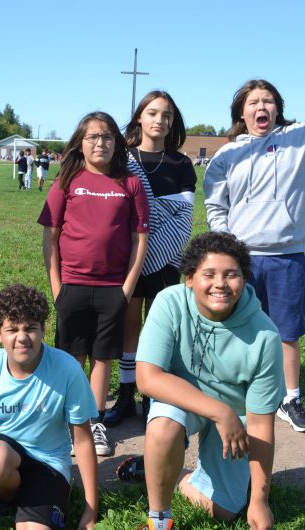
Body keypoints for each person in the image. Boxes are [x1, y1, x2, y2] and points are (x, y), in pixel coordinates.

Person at [136, 232, 283, 530]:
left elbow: (260, 424)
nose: (221, 284)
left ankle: (172, 474)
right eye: (209, 274)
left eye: (231, 274)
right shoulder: (169, 303)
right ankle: (159, 523)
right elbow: (147, 378)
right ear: (190, 279)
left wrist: (260, 500)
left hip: (235, 418)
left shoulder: (265, 336)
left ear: (245, 279)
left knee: (225, 511)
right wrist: (219, 412)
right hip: (185, 403)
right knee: (163, 426)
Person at [38, 112, 149, 456]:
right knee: (72, 358)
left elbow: (139, 240)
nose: (99, 143)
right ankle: (72, 422)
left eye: (106, 137)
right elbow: (50, 239)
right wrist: (57, 288)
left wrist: (126, 289)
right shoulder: (66, 181)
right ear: (80, 143)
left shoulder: (129, 183)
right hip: (71, 284)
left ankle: (95, 421)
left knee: (103, 359)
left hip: (112, 288)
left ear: (117, 143)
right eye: (92, 137)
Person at [0, 284, 98, 530]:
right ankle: (9, 498)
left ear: (43, 330)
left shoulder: (68, 369)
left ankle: (38, 501)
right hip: (4, 456)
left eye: (30, 328)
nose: (22, 337)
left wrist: (91, 508)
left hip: (49, 463)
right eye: (12, 329)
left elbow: (82, 441)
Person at [204, 79, 305, 432]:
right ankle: (233, 391)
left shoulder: (297, 141)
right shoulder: (227, 154)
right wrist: (227, 245)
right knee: (235, 326)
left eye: (268, 101)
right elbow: (215, 204)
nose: (261, 107)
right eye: (253, 102)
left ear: (278, 108)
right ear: (241, 111)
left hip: (289, 254)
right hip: (242, 258)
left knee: (287, 332)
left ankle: (290, 398)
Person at [105, 91, 196, 427]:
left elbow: (182, 217)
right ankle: (127, 395)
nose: (160, 120)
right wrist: (137, 254)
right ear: (140, 117)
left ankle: (153, 395)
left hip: (167, 258)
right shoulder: (122, 160)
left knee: (159, 328)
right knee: (129, 325)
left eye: (167, 115)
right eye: (153, 113)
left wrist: (154, 253)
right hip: (128, 258)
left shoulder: (182, 164)